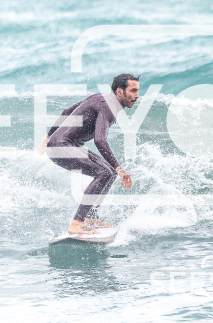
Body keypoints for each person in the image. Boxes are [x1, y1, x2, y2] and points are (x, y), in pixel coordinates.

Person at [38, 74, 140, 235]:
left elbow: (67, 111)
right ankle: (77, 223)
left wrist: (49, 135)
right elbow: (100, 140)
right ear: (119, 91)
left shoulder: (101, 98)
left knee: (110, 173)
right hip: (61, 146)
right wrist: (119, 167)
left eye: (137, 91)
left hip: (64, 145)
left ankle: (89, 218)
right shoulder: (109, 107)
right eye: (133, 91)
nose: (137, 95)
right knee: (105, 172)